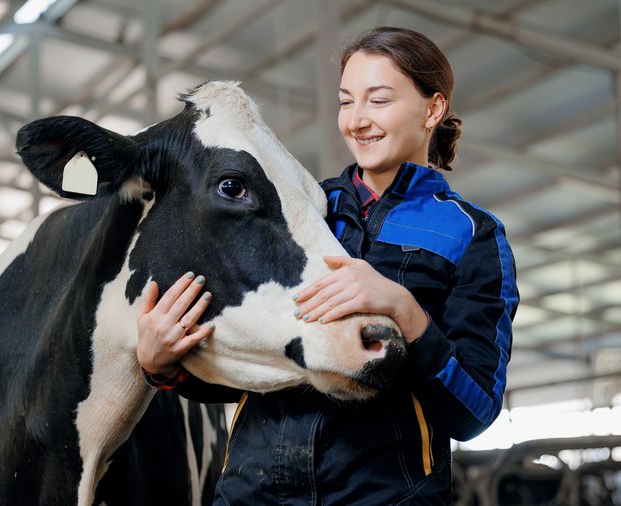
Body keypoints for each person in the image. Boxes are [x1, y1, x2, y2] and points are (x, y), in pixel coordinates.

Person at [136, 26, 519, 505]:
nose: (357, 120)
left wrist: (404, 309)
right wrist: (164, 366)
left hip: (386, 497)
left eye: (378, 101)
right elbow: (250, 371)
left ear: (433, 108)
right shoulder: (296, 206)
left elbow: (474, 411)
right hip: (252, 493)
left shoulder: (471, 233)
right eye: (345, 101)